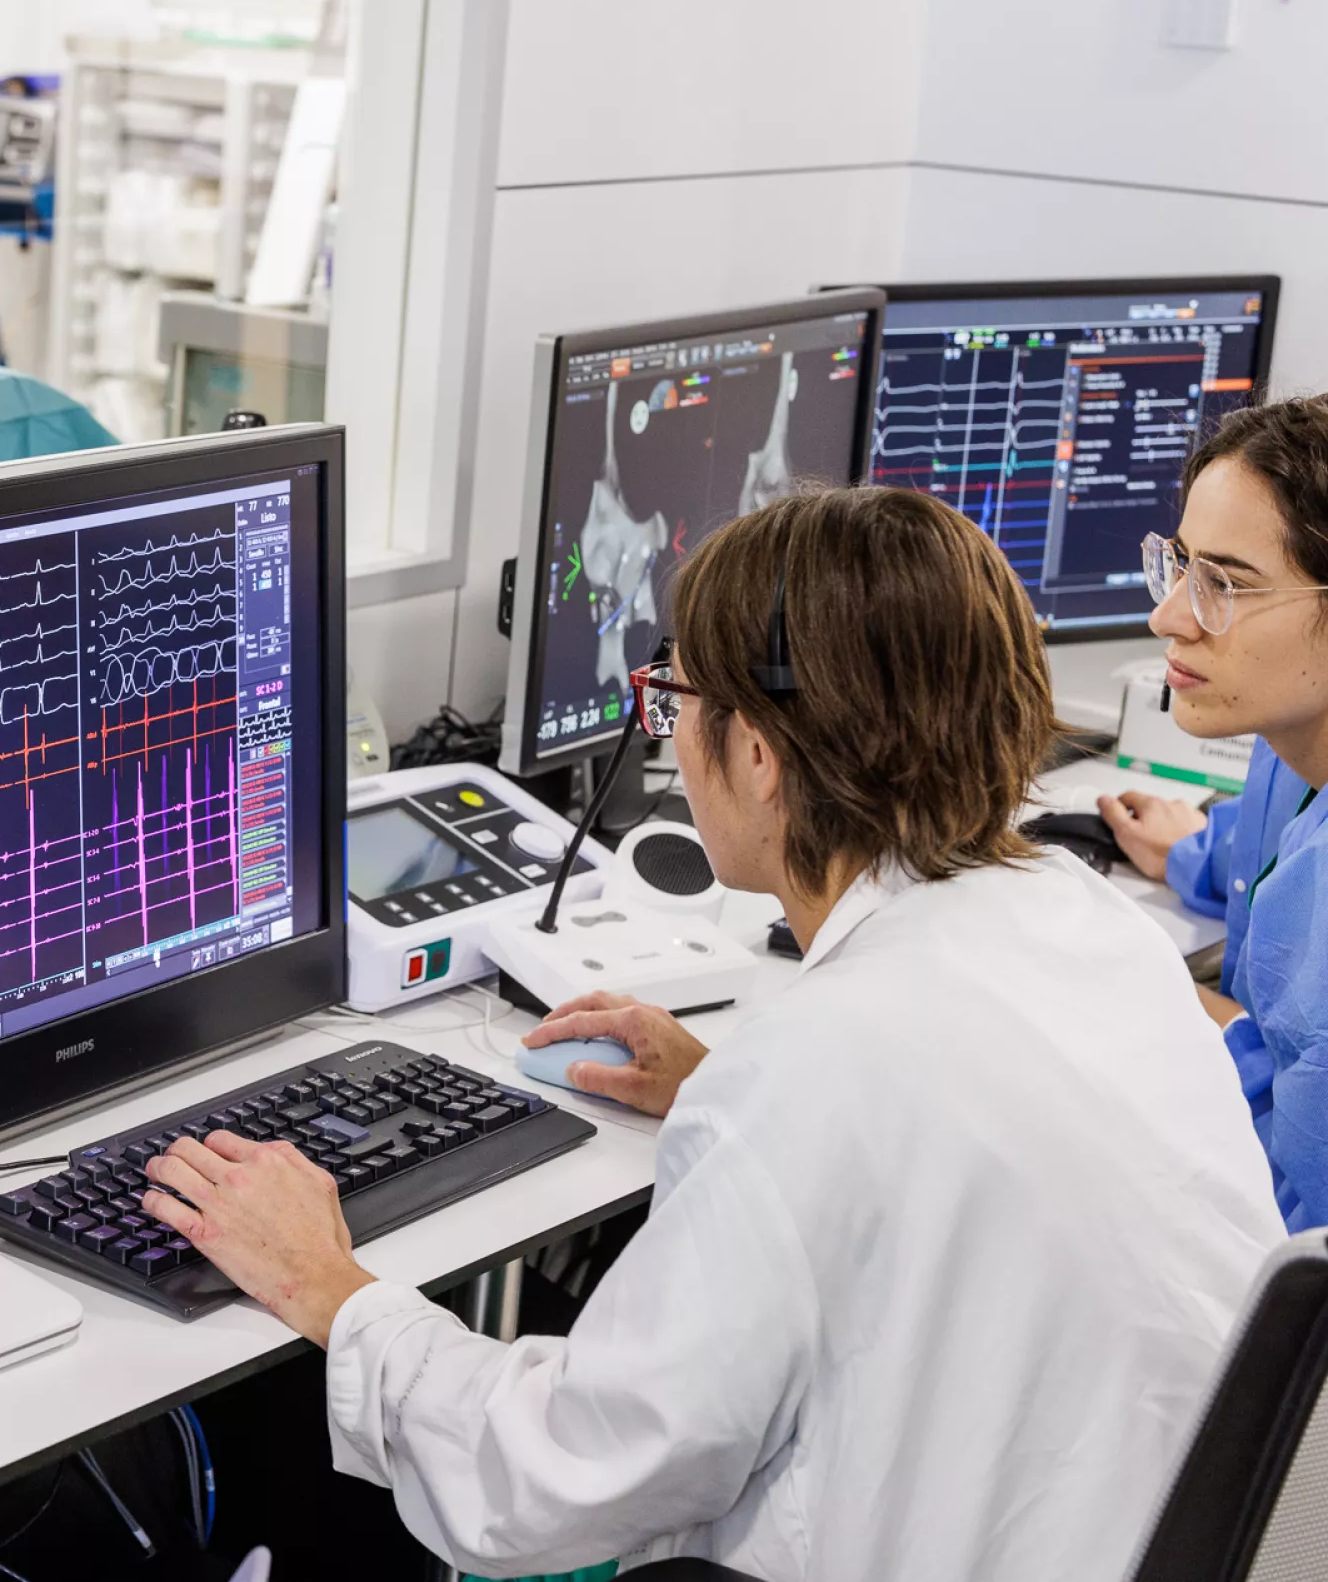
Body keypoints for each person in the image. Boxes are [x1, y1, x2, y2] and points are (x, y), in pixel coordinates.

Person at [138, 486, 1282, 1582]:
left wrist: (332, 1288)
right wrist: (732, 1089)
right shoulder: (1090, 927)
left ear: (758, 754)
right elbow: (948, 1138)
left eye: (674, 697)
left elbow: (558, 1477)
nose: (672, 734)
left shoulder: (820, 1070)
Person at [1095, 396, 1328, 1229]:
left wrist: (1211, 1027)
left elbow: (1299, 1243)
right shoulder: (1290, 742)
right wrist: (1192, 852)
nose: (1167, 616)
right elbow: (1267, 844)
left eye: (1224, 584)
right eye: (1182, 565)